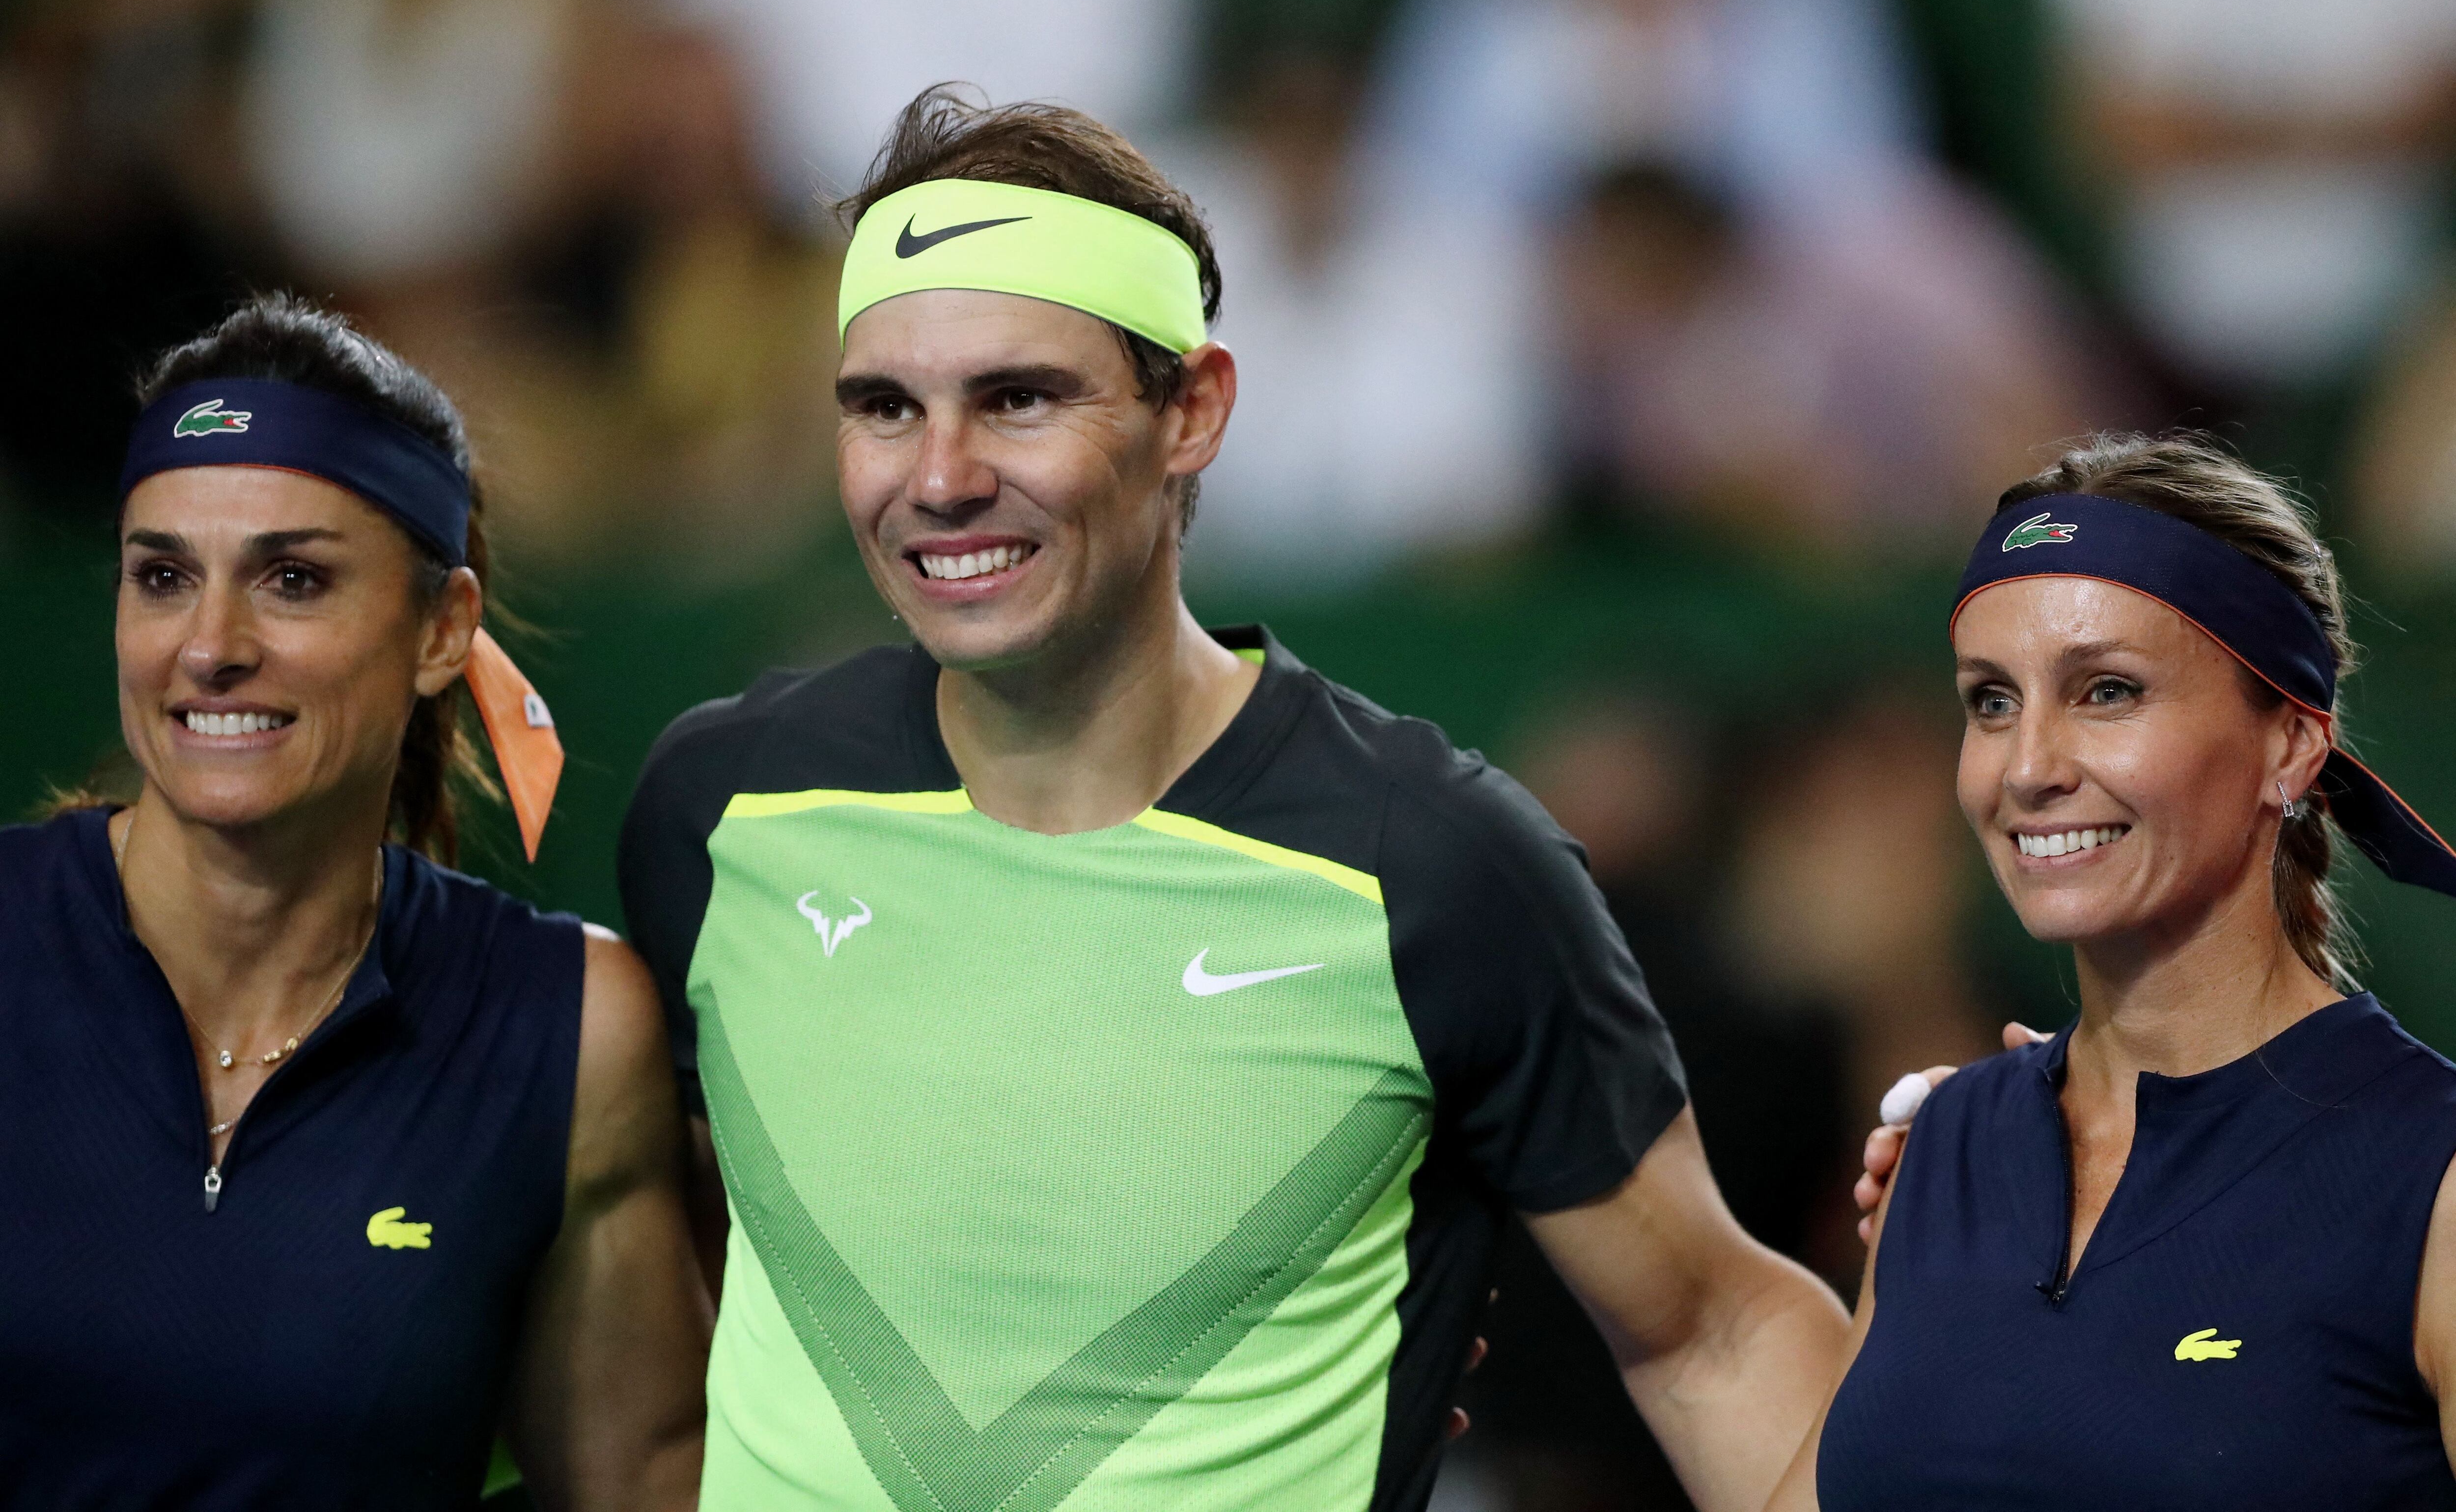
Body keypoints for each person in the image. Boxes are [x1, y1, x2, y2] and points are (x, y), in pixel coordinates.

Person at [617, 85, 1851, 1512]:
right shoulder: (717, 805)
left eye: (1019, 398)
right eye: (885, 407)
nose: (940, 477)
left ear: (1190, 410)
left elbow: (1715, 1331)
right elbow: (696, 1277)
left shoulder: (1438, 865)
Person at [0, 297, 709, 1509]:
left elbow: (642, 1480)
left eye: (292, 578)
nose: (210, 645)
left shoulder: (570, 1034)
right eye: (163, 575)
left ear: (443, 628)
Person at [1783, 434, 2456, 1508]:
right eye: (1991, 700)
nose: (2029, 767)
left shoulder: (2434, 1181)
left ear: (2289, 741)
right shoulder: (1943, 1151)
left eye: (2105, 690)